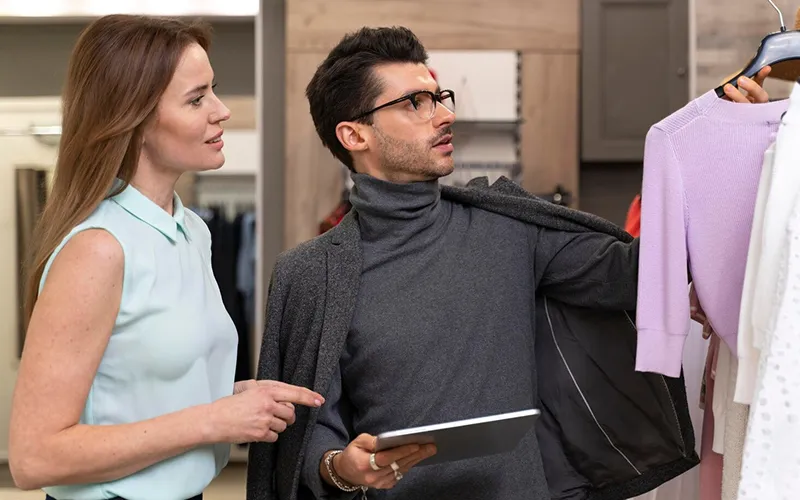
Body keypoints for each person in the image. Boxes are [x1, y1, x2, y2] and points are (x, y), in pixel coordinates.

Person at [245, 28, 774, 500]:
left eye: (440, 97)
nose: (445, 114)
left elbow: (636, 277)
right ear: (354, 135)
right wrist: (342, 468)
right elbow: (309, 428)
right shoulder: (311, 273)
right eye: (416, 103)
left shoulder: (506, 225)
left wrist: (723, 146)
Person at [7, 14, 323, 500]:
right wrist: (213, 418)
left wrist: (236, 399)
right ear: (134, 122)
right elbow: (34, 457)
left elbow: (145, 389)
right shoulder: (98, 249)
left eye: (213, 90)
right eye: (197, 99)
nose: (222, 111)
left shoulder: (191, 229)